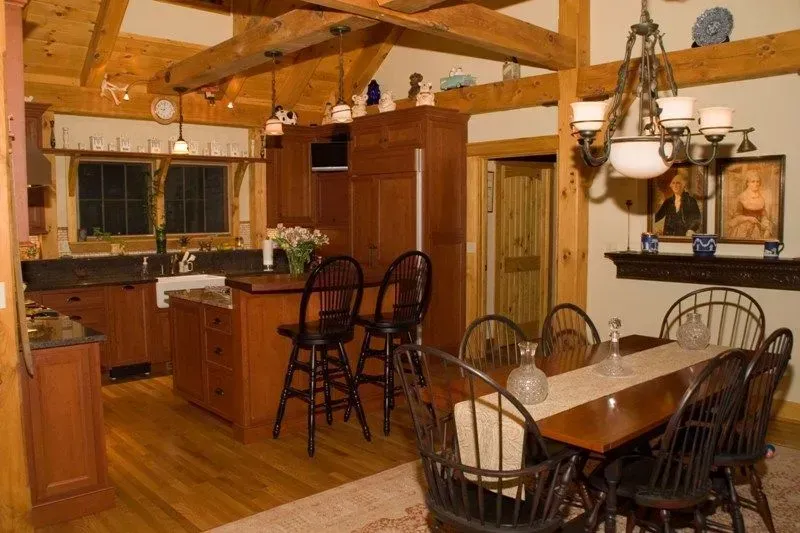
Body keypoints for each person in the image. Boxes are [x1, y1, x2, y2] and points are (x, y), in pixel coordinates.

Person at [728, 170, 773, 240]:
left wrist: (765, 223)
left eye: (758, 181)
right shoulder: (741, 197)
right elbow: (736, 216)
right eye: (753, 181)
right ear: (747, 183)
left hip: (757, 229)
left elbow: (763, 215)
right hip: (743, 229)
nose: (756, 184)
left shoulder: (761, 198)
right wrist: (748, 218)